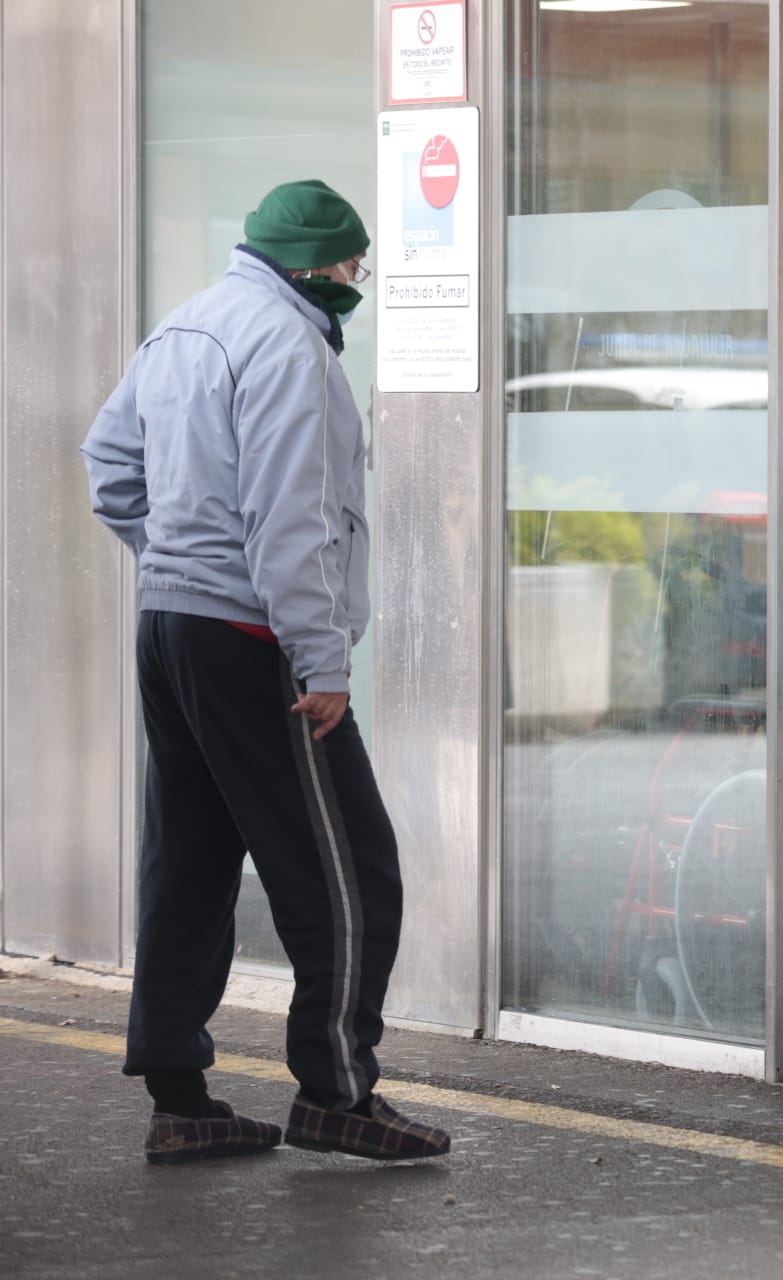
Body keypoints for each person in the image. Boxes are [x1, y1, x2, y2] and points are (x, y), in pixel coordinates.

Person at [81, 180, 450, 1164]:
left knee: (191, 856)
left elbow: (108, 465)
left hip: (171, 625)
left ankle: (179, 1092)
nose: (356, 281)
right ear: (315, 265)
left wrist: (176, 560)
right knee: (348, 868)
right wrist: (322, 659)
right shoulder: (292, 348)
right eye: (350, 266)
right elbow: (295, 515)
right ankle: (337, 1089)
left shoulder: (186, 326)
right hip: (253, 640)